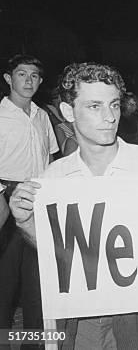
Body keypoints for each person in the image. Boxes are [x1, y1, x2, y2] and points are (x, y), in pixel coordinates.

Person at [8, 62, 138, 350]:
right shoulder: (54, 177)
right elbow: (59, 251)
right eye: (94, 106)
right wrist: (26, 222)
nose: (110, 117)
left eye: (114, 105)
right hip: (81, 312)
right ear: (68, 112)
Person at [0, 54, 58, 348]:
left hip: (37, 196)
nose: (28, 81)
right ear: (9, 78)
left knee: (38, 278)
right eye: (22, 74)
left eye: (34, 75)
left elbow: (50, 159)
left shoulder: (42, 115)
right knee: (5, 279)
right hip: (4, 196)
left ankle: (33, 343)